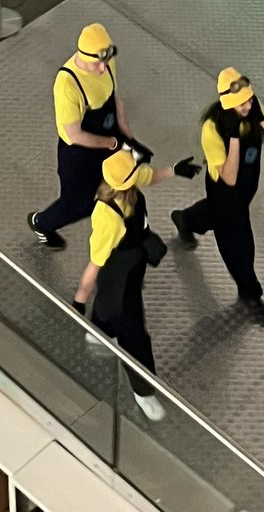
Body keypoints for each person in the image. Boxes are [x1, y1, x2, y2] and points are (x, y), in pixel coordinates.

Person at [72, 146, 201, 422]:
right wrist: (79, 299)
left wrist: (174, 171)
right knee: (133, 333)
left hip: (134, 261)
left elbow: (149, 176)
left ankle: (101, 330)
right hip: (117, 269)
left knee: (109, 301)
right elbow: (95, 264)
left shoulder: (125, 184)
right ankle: (143, 390)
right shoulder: (107, 216)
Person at [170, 68, 264, 325]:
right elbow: (229, 178)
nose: (247, 106)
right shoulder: (212, 129)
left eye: (249, 100)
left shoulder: (252, 107)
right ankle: (250, 294)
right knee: (239, 246)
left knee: (211, 214)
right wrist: (234, 136)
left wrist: (262, 120)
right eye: (241, 103)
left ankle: (186, 219)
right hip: (225, 191)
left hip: (246, 188)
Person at [29, 23, 149, 250]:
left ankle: (129, 238)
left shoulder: (106, 63)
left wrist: (129, 139)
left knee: (124, 183)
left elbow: (115, 100)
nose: (103, 68)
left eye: (106, 62)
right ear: (83, 56)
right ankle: (41, 223)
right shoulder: (67, 84)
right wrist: (111, 143)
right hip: (80, 152)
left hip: (109, 136)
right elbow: (74, 134)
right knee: (78, 205)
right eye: (97, 64)